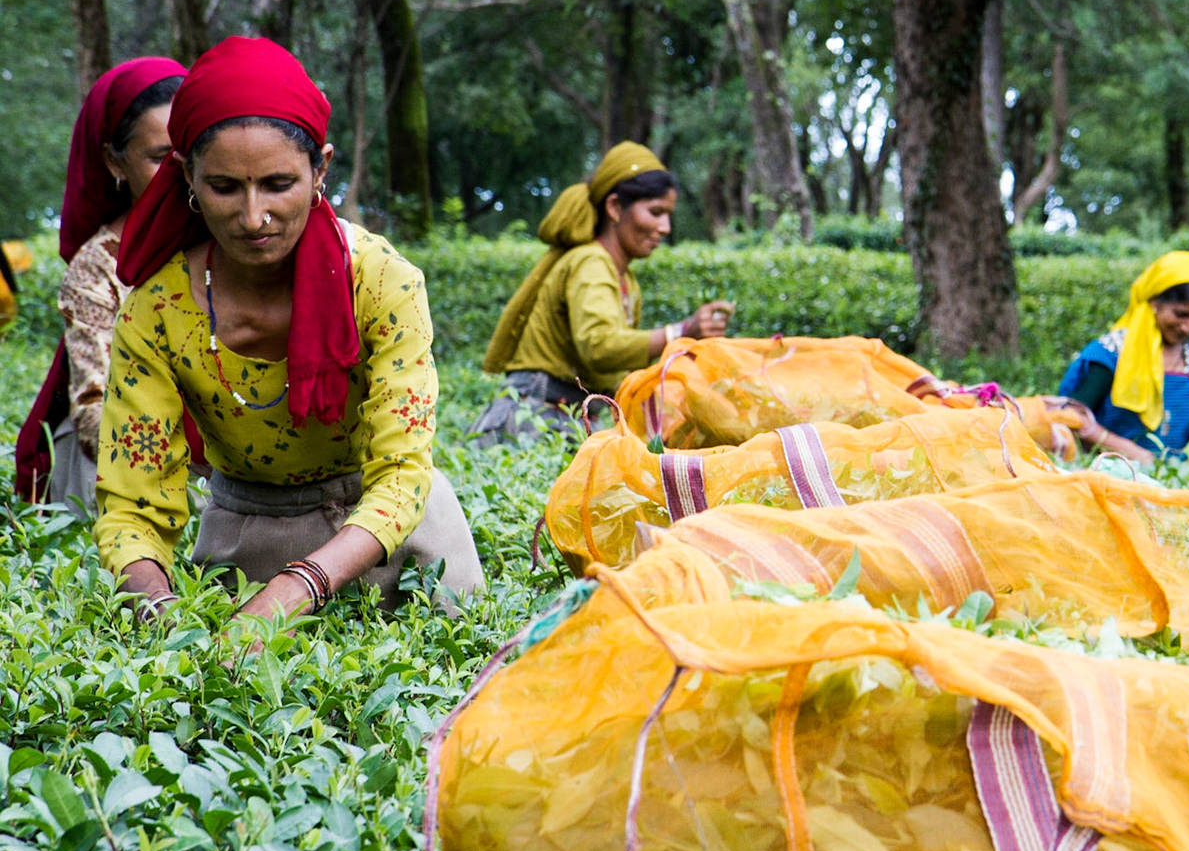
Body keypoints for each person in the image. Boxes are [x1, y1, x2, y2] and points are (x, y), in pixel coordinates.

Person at [97, 36, 483, 624]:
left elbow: (403, 475)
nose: (254, 217)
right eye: (225, 187)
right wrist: (161, 611)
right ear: (188, 178)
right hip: (245, 539)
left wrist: (301, 584)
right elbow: (132, 509)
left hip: (402, 538)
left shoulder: (380, 283)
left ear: (320, 168)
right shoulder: (158, 312)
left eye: (278, 184)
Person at [470, 142, 734, 446]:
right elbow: (598, 346)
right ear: (614, 208)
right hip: (532, 418)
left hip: (571, 414)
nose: (665, 227)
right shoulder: (590, 263)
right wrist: (682, 331)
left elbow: (613, 363)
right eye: (656, 212)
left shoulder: (624, 277)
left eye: (668, 215)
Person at [16, 57, 188, 510]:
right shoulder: (97, 267)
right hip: (125, 444)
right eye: (158, 157)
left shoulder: (236, 235)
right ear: (116, 162)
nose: (178, 171)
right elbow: (93, 404)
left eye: (189, 152)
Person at [1060, 251, 1189, 465]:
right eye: (1180, 314)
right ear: (1155, 302)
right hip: (1108, 472)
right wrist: (1130, 452)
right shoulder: (1109, 354)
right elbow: (1074, 416)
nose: (1188, 326)